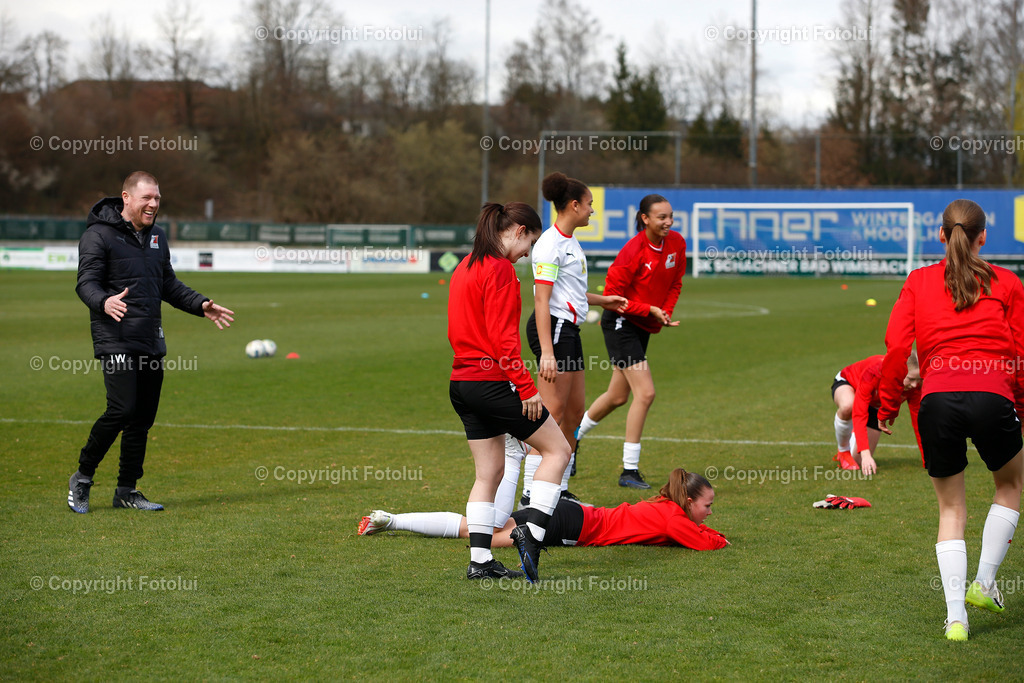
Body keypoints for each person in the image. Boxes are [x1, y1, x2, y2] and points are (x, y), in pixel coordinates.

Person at [877, 198, 1024, 642]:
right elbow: (1019, 354)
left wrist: (886, 407)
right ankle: (985, 582)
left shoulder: (919, 281)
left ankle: (956, 618)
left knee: (951, 509)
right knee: (1010, 485)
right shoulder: (1008, 282)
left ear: (941, 235)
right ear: (983, 237)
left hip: (937, 401)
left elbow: (896, 350)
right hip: (993, 396)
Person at [68, 171, 234, 514]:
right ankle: (82, 478)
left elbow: (168, 285)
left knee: (142, 417)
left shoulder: (157, 237)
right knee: (122, 409)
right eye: (147, 198)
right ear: (126, 198)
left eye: (157, 198)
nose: (154, 204)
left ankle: (127, 490)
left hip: (149, 337)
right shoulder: (98, 235)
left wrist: (200, 304)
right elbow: (86, 282)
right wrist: (103, 302)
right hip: (114, 336)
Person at [447, 201, 573, 583]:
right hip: (491, 383)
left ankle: (481, 562)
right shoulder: (500, 269)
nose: (527, 255)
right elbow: (505, 342)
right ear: (517, 230)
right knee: (559, 450)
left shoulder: (465, 265)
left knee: (490, 472)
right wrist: (527, 389)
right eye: (529, 243)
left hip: (462, 384)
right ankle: (531, 536)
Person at [519, 172, 627, 507]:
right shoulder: (549, 245)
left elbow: (572, 294)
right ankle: (529, 494)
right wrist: (547, 353)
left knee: (575, 413)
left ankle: (558, 489)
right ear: (574, 205)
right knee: (550, 413)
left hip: (568, 329)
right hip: (553, 329)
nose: (593, 211)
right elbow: (541, 300)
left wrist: (603, 300)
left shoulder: (569, 242)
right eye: (590, 205)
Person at [575, 195, 686, 489]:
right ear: (645, 219)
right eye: (661, 217)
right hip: (621, 325)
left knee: (617, 397)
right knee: (645, 393)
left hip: (642, 326)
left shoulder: (677, 243)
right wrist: (648, 309)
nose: (668, 222)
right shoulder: (632, 252)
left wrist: (664, 312)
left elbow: (676, 281)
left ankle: (571, 438)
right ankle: (629, 470)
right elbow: (612, 299)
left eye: (670, 216)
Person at [359, 468, 728, 551]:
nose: (710, 512)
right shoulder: (673, 516)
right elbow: (706, 543)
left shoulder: (665, 504)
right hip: (574, 525)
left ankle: (392, 520)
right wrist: (720, 538)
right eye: (707, 506)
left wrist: (706, 530)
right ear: (689, 501)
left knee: (478, 527)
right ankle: (393, 521)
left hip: (574, 513)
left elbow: (690, 533)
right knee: (483, 536)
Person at [831, 352, 922, 474]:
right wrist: (866, 453)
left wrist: (927, 458)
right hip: (850, 384)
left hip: (874, 405)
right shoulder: (874, 372)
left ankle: (855, 432)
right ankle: (843, 451)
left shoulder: (914, 387)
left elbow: (919, 420)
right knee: (848, 406)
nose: (915, 384)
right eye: (911, 379)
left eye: (919, 379)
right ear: (900, 371)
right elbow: (859, 413)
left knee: (858, 461)